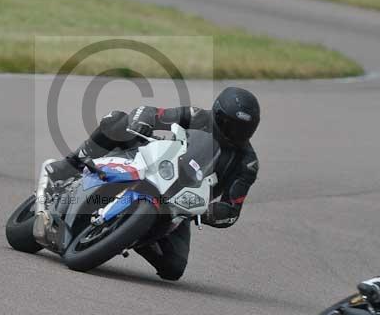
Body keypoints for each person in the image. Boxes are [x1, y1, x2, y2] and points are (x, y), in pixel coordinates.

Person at [45, 86, 261, 281]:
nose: (235, 134)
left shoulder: (247, 164)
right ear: (217, 114)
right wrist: (142, 123)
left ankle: (130, 234)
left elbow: (232, 210)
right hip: (158, 164)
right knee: (117, 120)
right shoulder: (198, 116)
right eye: (229, 126)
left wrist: (210, 211)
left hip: (180, 204)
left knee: (173, 268)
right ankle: (68, 166)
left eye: (242, 130)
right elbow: (151, 112)